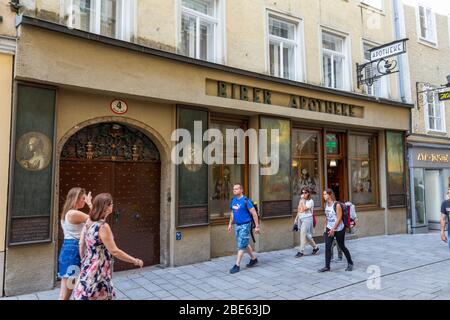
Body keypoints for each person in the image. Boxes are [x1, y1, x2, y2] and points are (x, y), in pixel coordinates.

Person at [72, 193, 144, 300]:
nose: (113, 205)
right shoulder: (103, 227)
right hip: (99, 270)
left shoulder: (90, 222)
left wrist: (84, 259)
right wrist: (135, 260)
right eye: (111, 204)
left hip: (88, 265)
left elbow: (81, 243)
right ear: (106, 207)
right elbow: (114, 251)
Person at [58, 187, 92, 300]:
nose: (84, 200)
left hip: (68, 250)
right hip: (74, 251)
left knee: (65, 291)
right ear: (76, 199)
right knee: (69, 290)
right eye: (83, 198)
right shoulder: (74, 213)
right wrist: (90, 204)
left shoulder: (66, 213)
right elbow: (96, 220)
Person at [318, 189, 354, 273]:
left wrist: (333, 229)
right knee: (327, 247)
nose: (323, 196)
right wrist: (325, 228)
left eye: (325, 194)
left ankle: (350, 263)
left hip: (339, 229)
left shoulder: (337, 205)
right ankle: (327, 267)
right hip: (329, 227)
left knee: (341, 246)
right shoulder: (325, 204)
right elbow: (326, 217)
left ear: (330, 195)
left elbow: (339, 218)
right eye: (323, 194)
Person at [228, 184, 260, 274]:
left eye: (236, 189)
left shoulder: (246, 201)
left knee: (241, 244)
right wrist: (230, 223)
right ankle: (254, 259)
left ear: (241, 190)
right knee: (244, 242)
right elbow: (232, 213)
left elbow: (254, 214)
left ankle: (237, 265)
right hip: (237, 225)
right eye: (233, 189)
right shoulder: (233, 200)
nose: (234, 190)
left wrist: (257, 226)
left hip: (245, 225)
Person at [294, 188, 319, 258]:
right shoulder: (301, 200)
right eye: (302, 193)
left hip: (307, 219)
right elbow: (299, 210)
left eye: (305, 193)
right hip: (301, 219)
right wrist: (296, 219)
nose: (303, 194)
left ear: (308, 193)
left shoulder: (310, 201)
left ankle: (300, 251)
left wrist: (302, 200)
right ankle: (315, 247)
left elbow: (305, 208)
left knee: (302, 234)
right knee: (306, 235)